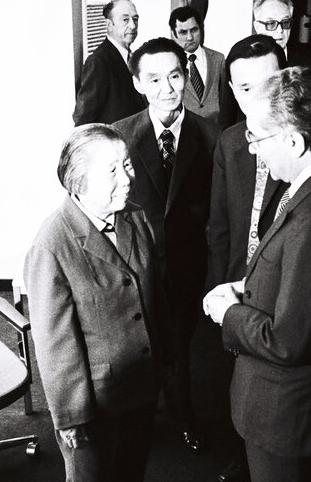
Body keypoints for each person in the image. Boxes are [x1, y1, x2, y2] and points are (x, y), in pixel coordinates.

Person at [203, 67, 311, 482]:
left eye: (255, 138)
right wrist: (250, 286)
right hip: (301, 403)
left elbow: (288, 341)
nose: (252, 151)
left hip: (288, 413)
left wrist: (228, 311)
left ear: (295, 141)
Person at [25, 124, 163, 481]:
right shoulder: (52, 245)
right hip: (94, 407)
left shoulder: (135, 215)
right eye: (112, 171)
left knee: (131, 472)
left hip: (139, 387)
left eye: (127, 165)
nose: (128, 179)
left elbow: (151, 298)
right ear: (78, 183)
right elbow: (55, 345)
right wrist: (72, 417)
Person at [114, 37, 218, 454]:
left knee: (178, 344)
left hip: (186, 263)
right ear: (139, 83)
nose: (167, 89)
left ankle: (183, 414)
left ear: (186, 77)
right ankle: (138, 412)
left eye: (175, 76)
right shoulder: (120, 134)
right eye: (154, 79)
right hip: (134, 263)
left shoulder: (210, 135)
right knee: (135, 345)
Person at [206, 34, 289, 482]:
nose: (254, 97)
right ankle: (243, 456)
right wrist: (218, 289)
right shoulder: (230, 141)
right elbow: (219, 227)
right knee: (237, 382)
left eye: (266, 83)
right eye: (242, 88)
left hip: (282, 292)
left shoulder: (303, 143)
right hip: (236, 285)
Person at [219, 0, 311, 130]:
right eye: (271, 24)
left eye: (285, 22)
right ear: (257, 27)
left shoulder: (306, 67)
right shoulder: (237, 64)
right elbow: (227, 120)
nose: (280, 30)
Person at [73, 0, 145, 126]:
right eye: (125, 20)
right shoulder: (98, 61)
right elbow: (83, 118)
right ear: (109, 25)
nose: (133, 26)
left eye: (135, 19)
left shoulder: (133, 57)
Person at [169, 6, 224, 122]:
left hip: (216, 129)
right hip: (185, 131)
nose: (190, 37)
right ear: (174, 34)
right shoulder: (169, 64)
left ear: (201, 29)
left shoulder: (218, 59)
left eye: (194, 30)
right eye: (183, 32)